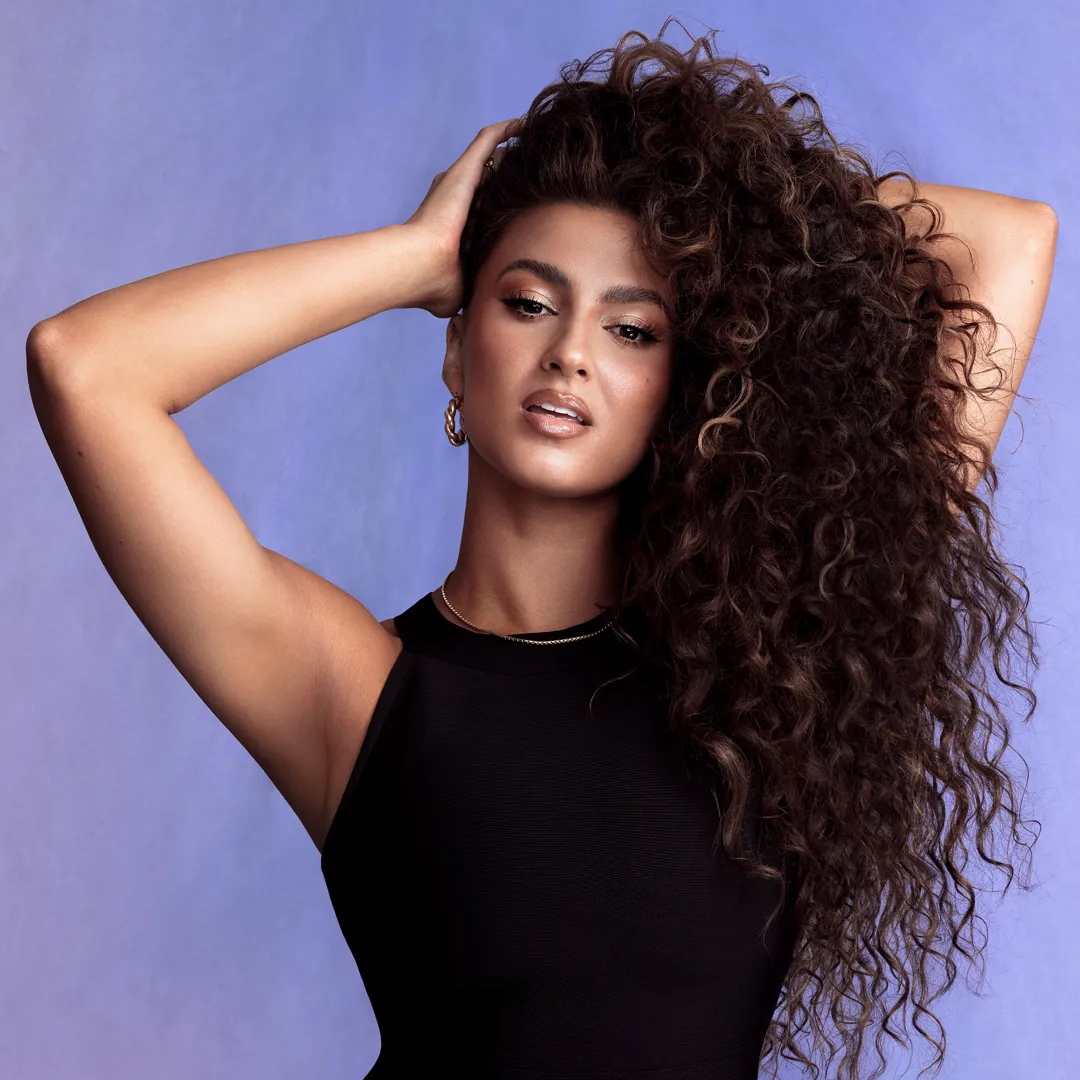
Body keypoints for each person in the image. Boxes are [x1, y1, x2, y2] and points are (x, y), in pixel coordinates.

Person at [26, 19, 1047, 1080]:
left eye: (632, 329)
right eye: (528, 303)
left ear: (684, 386)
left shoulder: (774, 654)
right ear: (457, 350)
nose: (569, 354)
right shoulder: (351, 687)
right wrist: (415, 256)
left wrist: (736, 225)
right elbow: (86, 365)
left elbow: (1006, 242)